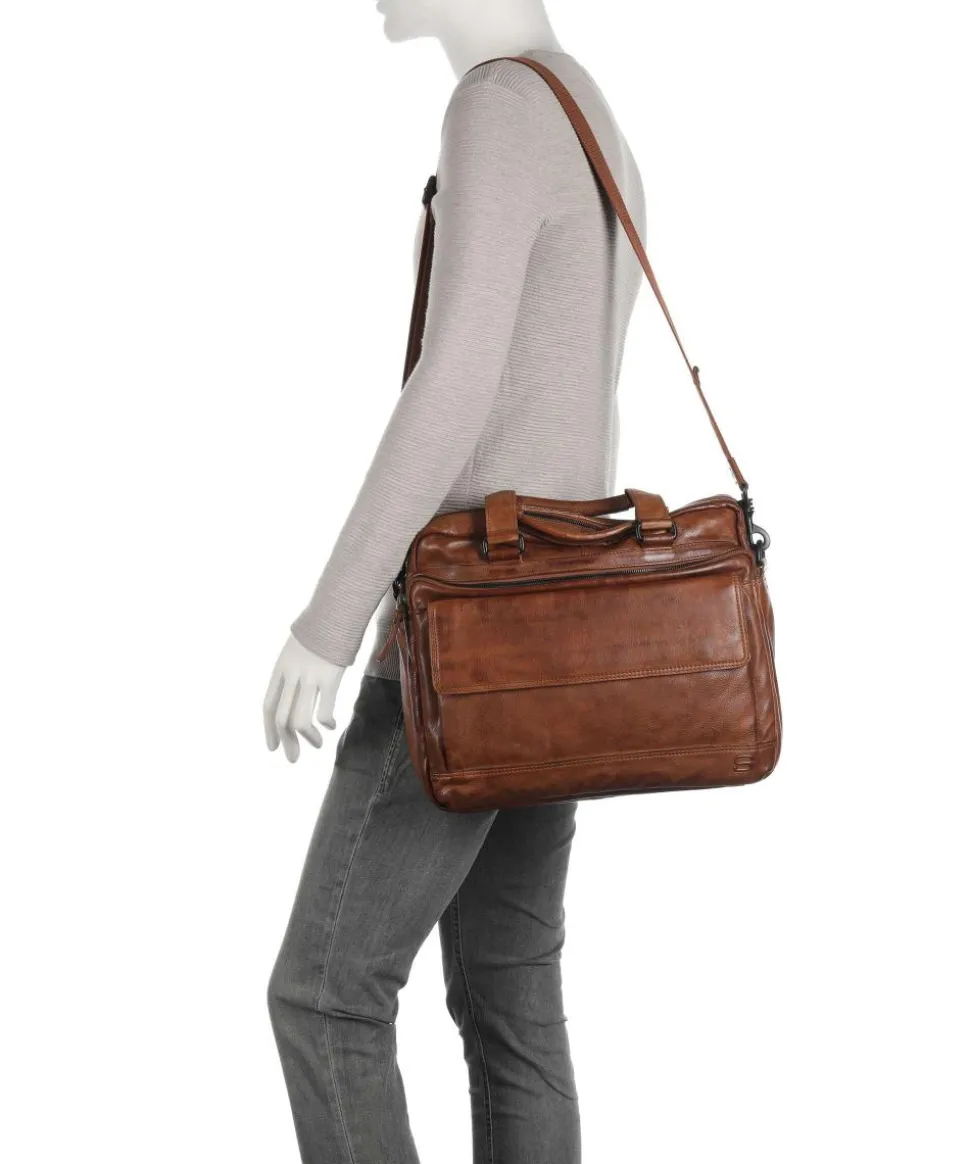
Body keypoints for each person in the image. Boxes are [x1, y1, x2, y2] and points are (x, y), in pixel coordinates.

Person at [263, 3, 646, 1160]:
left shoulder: (497, 107)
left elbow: (456, 381)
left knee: (325, 998)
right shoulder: (585, 106)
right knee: (510, 998)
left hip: (464, 648)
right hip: (557, 637)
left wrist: (330, 622)